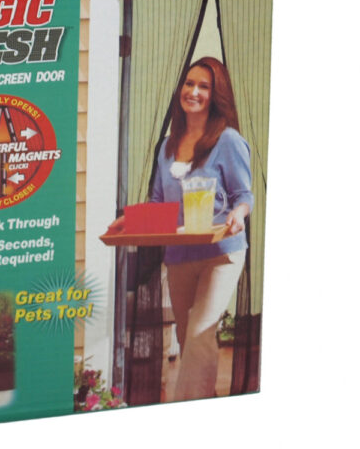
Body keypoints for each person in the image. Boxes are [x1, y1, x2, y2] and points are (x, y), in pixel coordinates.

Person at [108, 56, 253, 401]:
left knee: (201, 332)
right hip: (179, 257)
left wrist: (238, 214)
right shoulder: (168, 146)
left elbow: (244, 195)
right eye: (189, 83)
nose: (194, 91)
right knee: (189, 339)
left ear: (216, 95)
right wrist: (130, 219)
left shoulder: (228, 140)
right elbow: (159, 203)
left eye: (204, 86)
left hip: (221, 253)